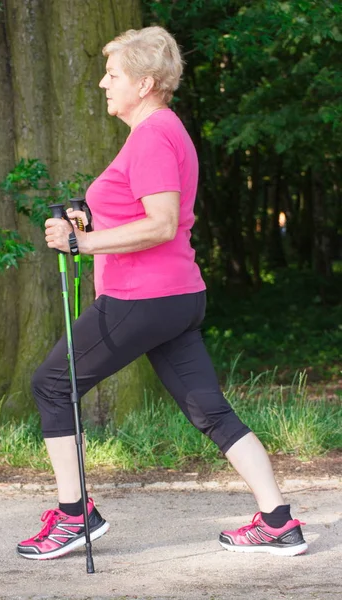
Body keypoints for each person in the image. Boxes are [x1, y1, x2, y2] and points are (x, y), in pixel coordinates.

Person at [17, 26, 307, 560]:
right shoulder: (162, 130)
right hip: (176, 296)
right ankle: (278, 522)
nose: (104, 83)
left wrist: (83, 242)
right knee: (210, 411)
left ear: (145, 82)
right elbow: (138, 206)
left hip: (140, 298)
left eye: (114, 74)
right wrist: (91, 210)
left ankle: (74, 516)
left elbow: (161, 223)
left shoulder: (152, 134)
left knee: (52, 385)